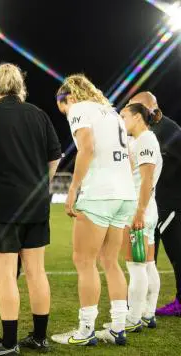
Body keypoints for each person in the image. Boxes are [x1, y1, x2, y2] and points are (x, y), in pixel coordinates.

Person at [0, 63, 60, 355]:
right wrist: (39, 182)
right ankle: (40, 338)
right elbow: (54, 157)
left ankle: (9, 343)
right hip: (36, 203)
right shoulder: (39, 114)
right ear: (20, 87)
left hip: (3, 206)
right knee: (37, 272)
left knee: (6, 274)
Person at [51, 74, 135, 346]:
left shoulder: (79, 108)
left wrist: (73, 189)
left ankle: (86, 330)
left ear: (70, 98)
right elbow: (129, 157)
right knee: (110, 261)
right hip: (124, 193)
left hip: (100, 193)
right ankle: (118, 327)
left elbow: (86, 147)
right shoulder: (111, 113)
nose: (65, 113)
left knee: (84, 261)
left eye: (62, 107)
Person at [101, 103, 161, 332]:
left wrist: (139, 212)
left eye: (124, 116)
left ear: (137, 117)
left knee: (135, 266)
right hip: (147, 208)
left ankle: (133, 318)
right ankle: (147, 313)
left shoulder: (145, 140)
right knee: (147, 264)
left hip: (139, 209)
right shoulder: (141, 140)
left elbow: (146, 180)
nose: (122, 121)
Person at [128, 92, 181, 317]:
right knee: (147, 260)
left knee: (177, 255)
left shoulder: (171, 131)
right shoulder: (145, 134)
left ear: (151, 109)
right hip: (151, 205)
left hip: (170, 206)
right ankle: (144, 308)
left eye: (135, 107)